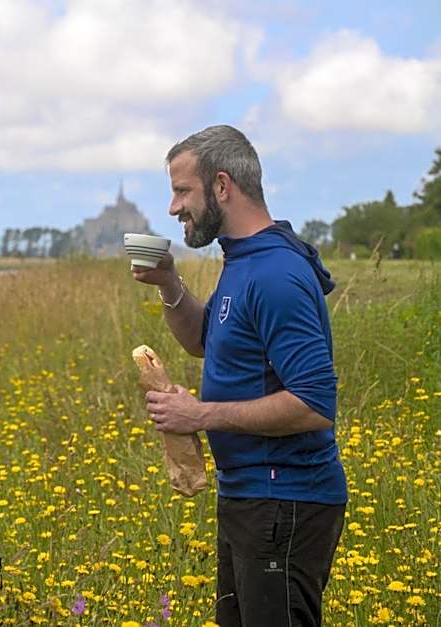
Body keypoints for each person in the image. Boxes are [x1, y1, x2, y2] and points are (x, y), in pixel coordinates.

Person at [133, 126, 346, 626]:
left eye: (183, 190)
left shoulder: (275, 274)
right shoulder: (243, 260)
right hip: (252, 498)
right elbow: (203, 342)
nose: (172, 207)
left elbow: (315, 404)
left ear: (223, 186)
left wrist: (199, 415)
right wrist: (168, 281)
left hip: (285, 501)